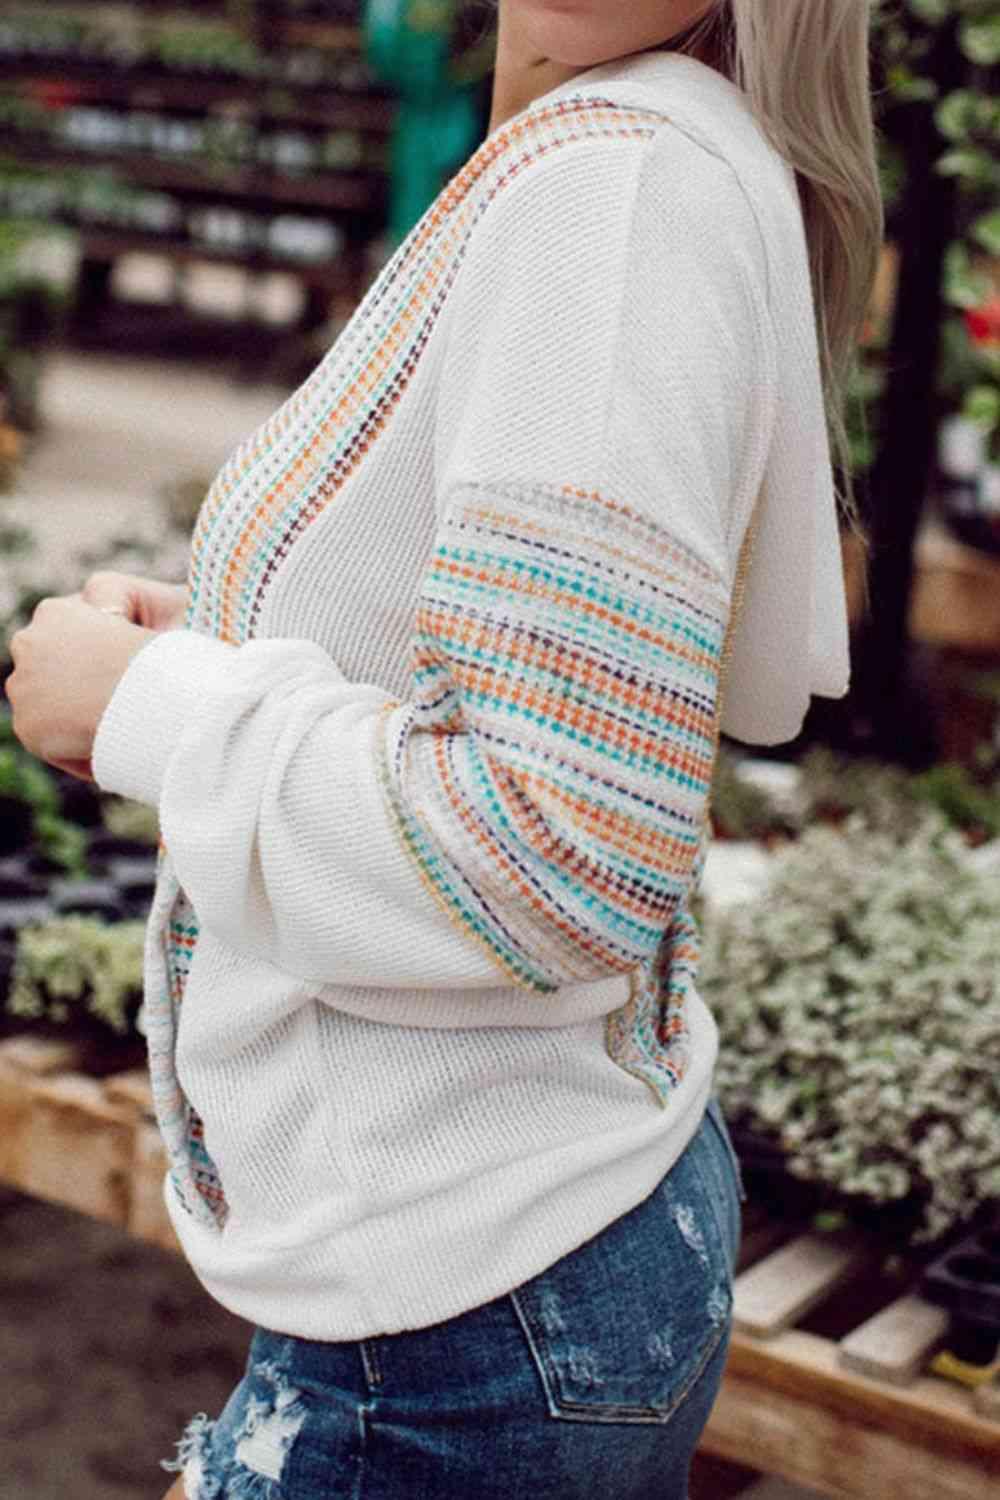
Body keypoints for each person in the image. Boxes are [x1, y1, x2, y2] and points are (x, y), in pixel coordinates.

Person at [5, 2, 882, 1496]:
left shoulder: (608, 198)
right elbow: (614, 670)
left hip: (452, 1315)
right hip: (557, 1234)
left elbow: (559, 841)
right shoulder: (685, 146)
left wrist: (152, 709)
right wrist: (217, 637)